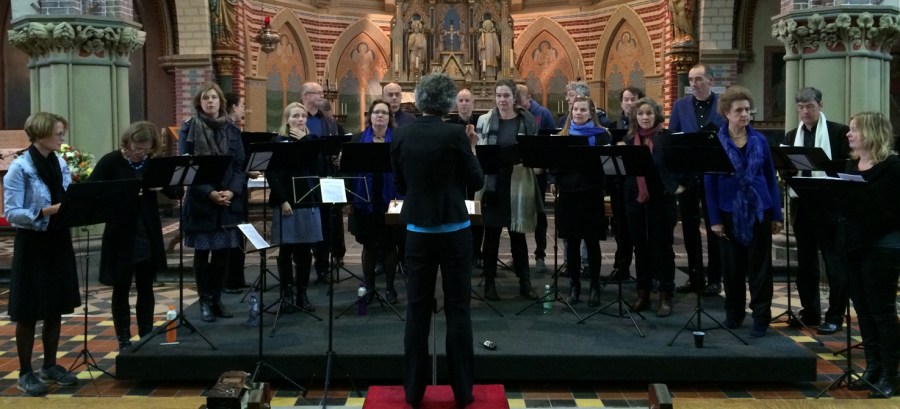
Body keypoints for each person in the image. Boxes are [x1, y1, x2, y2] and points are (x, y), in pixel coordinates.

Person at [392, 73, 483, 408]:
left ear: (419, 100)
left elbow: (400, 186)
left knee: (416, 311)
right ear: (447, 102)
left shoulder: (401, 134)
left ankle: (413, 391)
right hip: (454, 230)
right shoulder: (455, 134)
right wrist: (471, 149)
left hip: (418, 231)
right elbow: (475, 180)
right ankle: (463, 391)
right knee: (458, 310)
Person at [4, 112, 80, 395]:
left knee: (54, 305)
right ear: (41, 134)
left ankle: (50, 365)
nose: (62, 137)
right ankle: (25, 372)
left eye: (62, 132)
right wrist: (46, 211)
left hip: (57, 239)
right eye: (58, 133)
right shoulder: (20, 168)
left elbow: (66, 194)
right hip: (32, 243)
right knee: (29, 310)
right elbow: (11, 213)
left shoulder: (59, 162)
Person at [705, 86, 783, 337]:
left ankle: (761, 317)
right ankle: (734, 313)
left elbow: (770, 177)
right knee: (732, 268)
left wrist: (777, 214)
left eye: (747, 110)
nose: (745, 114)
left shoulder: (760, 140)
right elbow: (709, 184)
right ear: (726, 113)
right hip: (728, 212)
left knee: (760, 268)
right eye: (739, 110)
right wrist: (714, 219)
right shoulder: (716, 142)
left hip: (760, 210)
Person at [90, 121, 173, 350]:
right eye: (137, 149)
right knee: (121, 288)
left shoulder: (152, 163)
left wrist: (161, 187)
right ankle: (124, 338)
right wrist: (114, 193)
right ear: (127, 143)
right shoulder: (111, 161)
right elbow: (92, 190)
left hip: (146, 231)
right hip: (120, 232)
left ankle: (146, 333)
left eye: (146, 149)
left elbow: (176, 190)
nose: (141, 153)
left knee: (146, 287)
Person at [842, 111, 900, 398]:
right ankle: (873, 368)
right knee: (863, 310)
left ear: (871, 133)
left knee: (882, 311)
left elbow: (893, 212)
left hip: (883, 245)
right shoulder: (851, 166)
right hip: (855, 244)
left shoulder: (893, 167)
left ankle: (892, 375)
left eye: (854, 129)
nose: (849, 134)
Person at [784, 87, 850, 335]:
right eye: (800, 107)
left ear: (820, 106)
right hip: (803, 207)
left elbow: (846, 167)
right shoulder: (792, 136)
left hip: (830, 207)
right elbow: (789, 169)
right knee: (806, 263)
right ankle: (810, 312)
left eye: (809, 106)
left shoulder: (838, 132)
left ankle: (835, 316)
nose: (805, 112)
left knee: (834, 263)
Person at [179, 82, 246, 323]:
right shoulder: (189, 129)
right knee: (202, 254)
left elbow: (239, 166)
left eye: (214, 98)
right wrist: (209, 193)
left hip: (227, 201)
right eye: (206, 98)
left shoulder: (232, 130)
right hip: (202, 202)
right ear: (200, 102)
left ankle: (217, 299)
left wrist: (232, 191)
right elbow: (188, 167)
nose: (210, 101)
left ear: (221, 102)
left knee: (222, 255)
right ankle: (204, 300)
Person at [476, 79, 541, 301]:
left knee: (517, 235)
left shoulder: (526, 120)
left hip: (518, 182)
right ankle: (489, 283)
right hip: (493, 182)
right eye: (498, 95)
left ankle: (525, 283)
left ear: (514, 98)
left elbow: (533, 150)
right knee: (491, 235)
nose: (502, 100)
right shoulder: (485, 120)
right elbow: (481, 150)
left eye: (506, 95)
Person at [623, 98, 683, 317]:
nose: (645, 117)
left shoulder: (666, 139)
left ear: (656, 115)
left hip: (661, 201)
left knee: (662, 249)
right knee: (641, 248)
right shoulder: (629, 141)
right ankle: (643, 293)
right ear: (635, 117)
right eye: (640, 114)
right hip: (636, 201)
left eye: (649, 113)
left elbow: (678, 168)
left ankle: (666, 295)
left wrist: (677, 186)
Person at [669, 63, 726, 297]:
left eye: (698, 79)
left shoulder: (723, 104)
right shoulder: (680, 105)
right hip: (689, 176)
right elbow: (673, 139)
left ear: (711, 80)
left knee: (715, 228)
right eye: (691, 79)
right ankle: (694, 277)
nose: (693, 83)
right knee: (690, 229)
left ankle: (715, 279)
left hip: (715, 176)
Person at [266, 102, 323, 312]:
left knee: (305, 251)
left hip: (308, 199)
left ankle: (302, 294)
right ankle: (286, 293)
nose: (300, 120)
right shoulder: (278, 142)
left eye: (303, 116)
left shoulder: (312, 140)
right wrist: (282, 200)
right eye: (295, 116)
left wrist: (305, 141)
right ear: (287, 120)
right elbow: (272, 173)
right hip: (287, 202)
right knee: (286, 249)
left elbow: (317, 166)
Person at [553, 95, 609, 307]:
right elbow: (554, 166)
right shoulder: (563, 136)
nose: (578, 113)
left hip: (591, 194)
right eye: (575, 109)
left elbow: (607, 167)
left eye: (583, 110)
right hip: (568, 195)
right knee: (572, 243)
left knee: (592, 242)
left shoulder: (602, 136)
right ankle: (574, 286)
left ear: (591, 113)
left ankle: (594, 286)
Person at [349, 99, 404, 304]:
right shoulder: (357, 140)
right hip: (365, 201)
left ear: (390, 118)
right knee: (369, 245)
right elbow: (350, 171)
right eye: (376, 112)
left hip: (392, 199)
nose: (380, 115)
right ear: (370, 116)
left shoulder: (397, 139)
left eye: (384, 113)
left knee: (390, 245)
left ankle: (390, 287)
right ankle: (370, 287)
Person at [301, 82, 341, 284]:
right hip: (304, 178)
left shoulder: (328, 120)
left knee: (326, 224)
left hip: (325, 177)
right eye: (318, 93)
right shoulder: (297, 117)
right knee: (305, 224)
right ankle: (301, 269)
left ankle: (323, 268)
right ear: (306, 96)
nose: (322, 96)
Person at [516, 84, 556, 273]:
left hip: (538, 172)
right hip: (519, 172)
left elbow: (550, 143)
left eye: (520, 101)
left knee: (540, 215)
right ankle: (519, 257)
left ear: (528, 98)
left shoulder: (543, 114)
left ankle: (540, 255)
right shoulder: (515, 114)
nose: (517, 105)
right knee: (518, 213)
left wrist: (544, 167)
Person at [607, 87, 645, 282]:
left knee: (641, 229)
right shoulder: (613, 127)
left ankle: (646, 271)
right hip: (619, 184)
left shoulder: (644, 126)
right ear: (621, 103)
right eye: (626, 99)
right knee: (621, 228)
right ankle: (621, 267)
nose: (629, 103)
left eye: (633, 99)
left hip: (640, 184)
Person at [450, 89, 484, 270]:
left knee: (477, 214)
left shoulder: (481, 123)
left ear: (473, 103)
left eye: (467, 100)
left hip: (475, 174)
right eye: (461, 100)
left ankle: (476, 252)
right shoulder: (450, 125)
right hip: (456, 177)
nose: (464, 104)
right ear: (456, 103)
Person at [222, 92, 251, 294]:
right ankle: (229, 280)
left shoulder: (234, 129)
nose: (244, 110)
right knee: (230, 236)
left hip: (237, 188)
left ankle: (237, 278)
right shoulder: (225, 130)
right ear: (233, 107)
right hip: (228, 189)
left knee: (240, 234)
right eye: (242, 105)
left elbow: (239, 163)